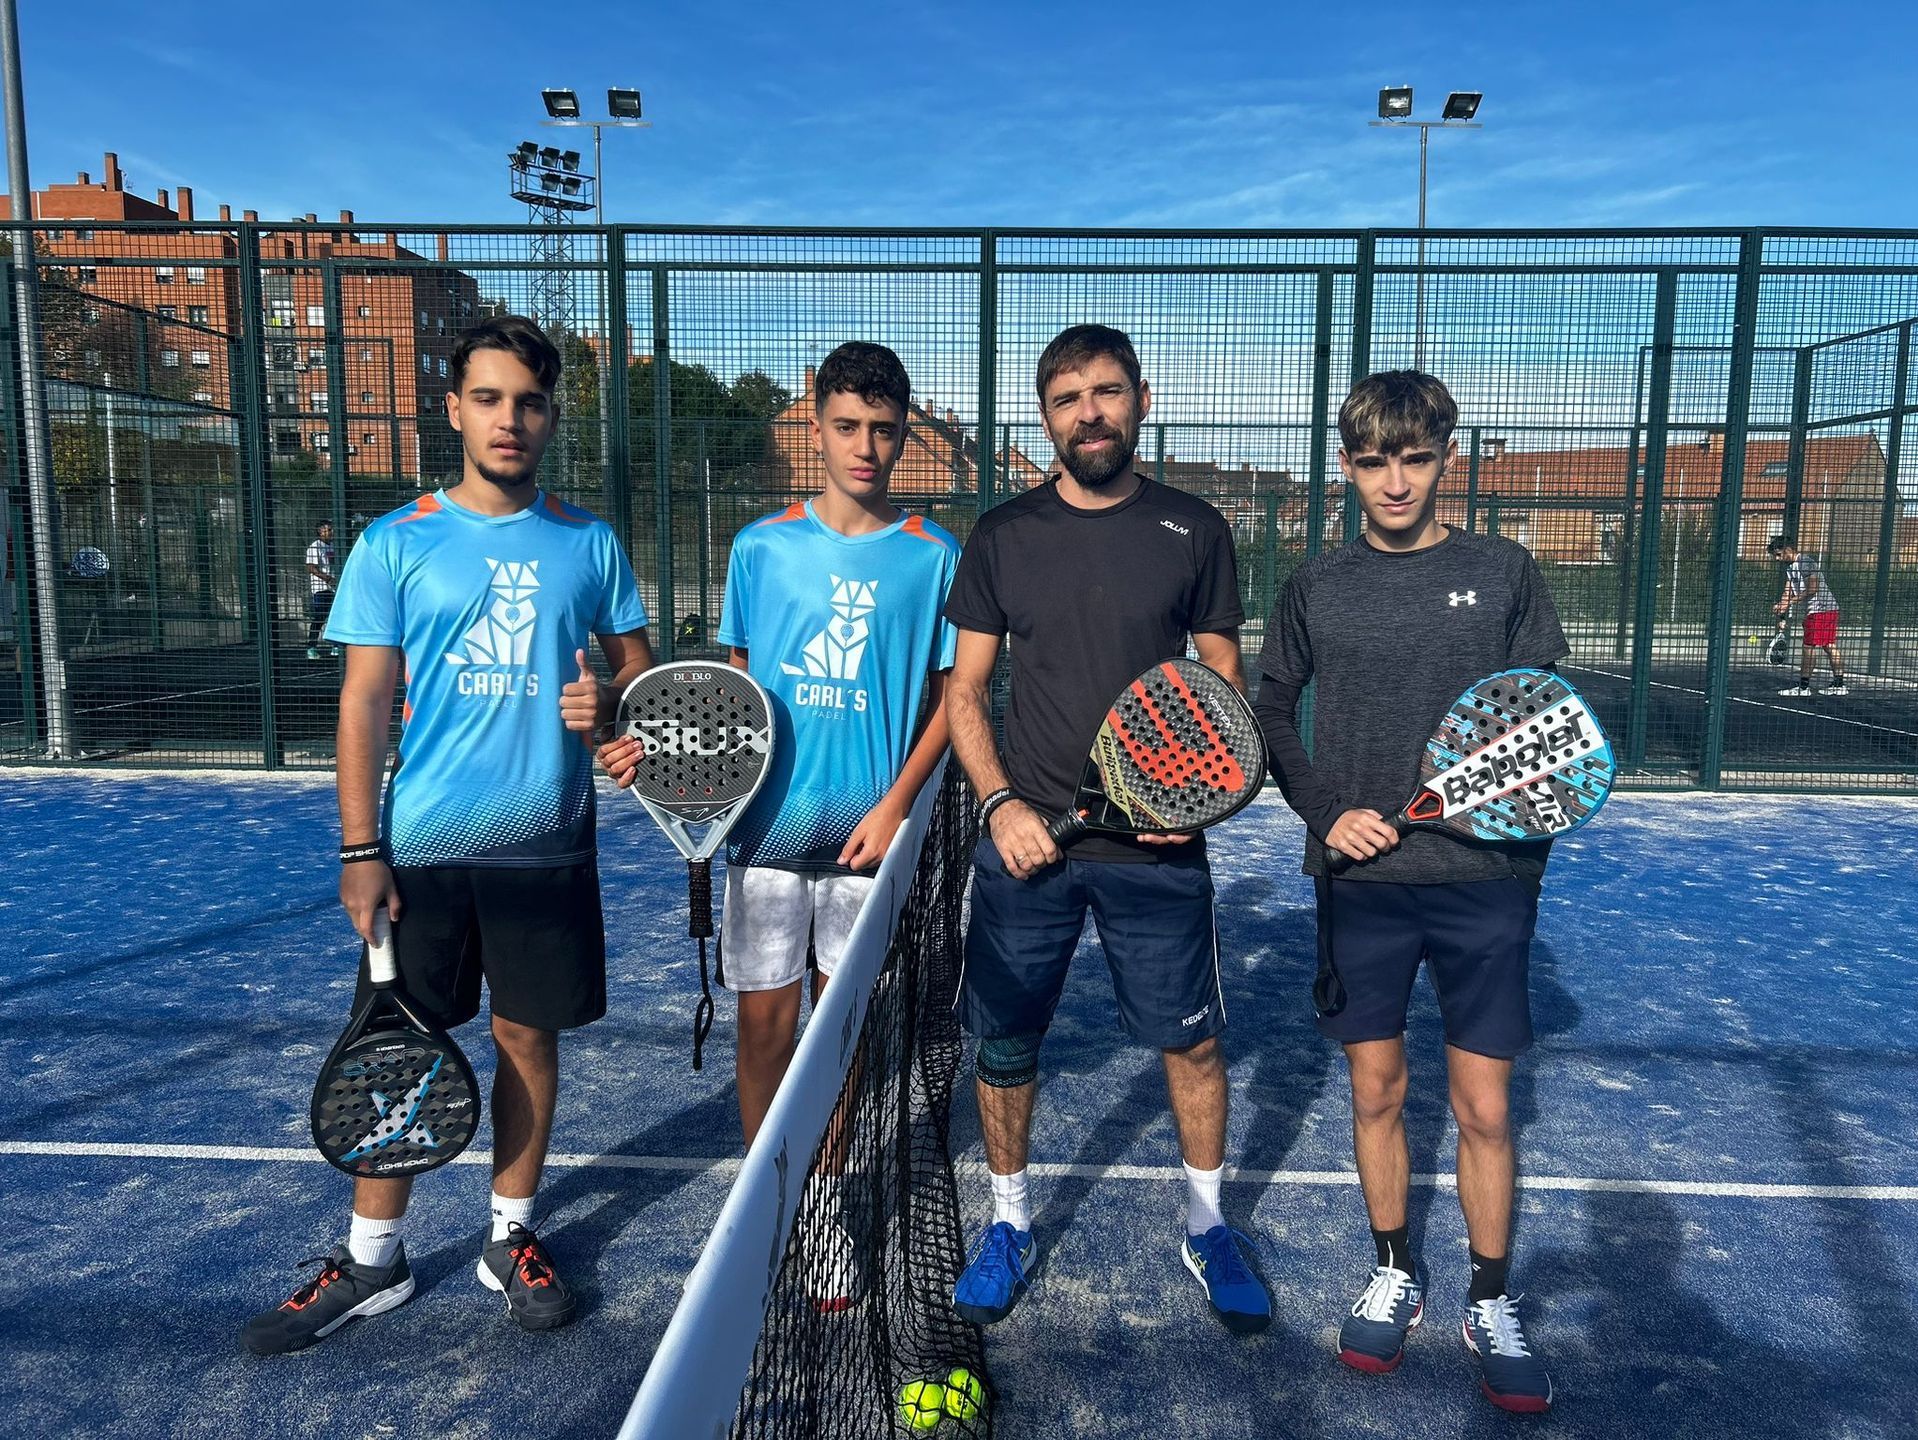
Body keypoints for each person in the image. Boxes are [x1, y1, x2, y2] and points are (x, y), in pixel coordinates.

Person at [242, 315, 653, 1355]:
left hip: (547, 843)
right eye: (489, 398)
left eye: (529, 401)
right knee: (399, 1055)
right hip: (421, 848)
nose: (509, 419)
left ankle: (507, 1236)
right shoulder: (396, 540)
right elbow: (363, 704)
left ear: (553, 415)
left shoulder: (588, 541)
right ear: (455, 407)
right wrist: (357, 847)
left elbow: (643, 689)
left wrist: (612, 710)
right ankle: (373, 1262)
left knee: (528, 1040)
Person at [942, 323, 1272, 1336]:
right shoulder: (1001, 535)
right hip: (1025, 847)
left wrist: (1195, 799)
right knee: (1004, 1045)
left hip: (1158, 851)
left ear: (1140, 398)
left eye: (1108, 392)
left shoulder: (1194, 528)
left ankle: (1208, 1225)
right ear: (1045, 418)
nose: (1090, 413)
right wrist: (999, 808)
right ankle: (1009, 1223)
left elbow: (1220, 674)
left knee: (1196, 1045)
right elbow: (967, 692)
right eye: (1068, 398)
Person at [1253, 370, 1566, 1413]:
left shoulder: (1506, 572)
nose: (1395, 480)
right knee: (1376, 1091)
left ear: (1446, 457)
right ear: (1348, 467)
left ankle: (1488, 1296)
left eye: (1416, 457)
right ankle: (1395, 1265)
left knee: (1483, 1106)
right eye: (1374, 460)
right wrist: (1323, 811)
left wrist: (1509, 827)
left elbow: (1543, 725)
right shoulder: (1318, 584)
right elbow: (1271, 706)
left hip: (1485, 886)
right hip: (1363, 886)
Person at [602, 343, 957, 1149]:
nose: (865, 447)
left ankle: (822, 1200)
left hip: (869, 840)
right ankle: (769, 1198)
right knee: (763, 1030)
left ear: (904, 435)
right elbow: (736, 693)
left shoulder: (935, 556)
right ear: (817, 430)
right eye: (846, 426)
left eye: (883, 429)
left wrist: (896, 807)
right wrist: (692, 785)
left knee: (841, 1036)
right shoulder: (761, 547)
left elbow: (950, 703)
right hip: (764, 833)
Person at [1768, 534, 1848, 697]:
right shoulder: (1790, 568)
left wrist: (1789, 603)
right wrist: (1782, 609)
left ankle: (1804, 688)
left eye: (1778, 554)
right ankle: (1839, 684)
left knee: (1808, 647)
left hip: (1821, 609)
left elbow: (1813, 588)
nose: (1777, 559)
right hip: (1823, 610)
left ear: (1788, 550)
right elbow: (1787, 591)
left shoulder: (1806, 562)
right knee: (1828, 645)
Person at [305, 519, 338, 660]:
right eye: (327, 530)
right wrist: (326, 578)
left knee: (335, 617)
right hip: (321, 588)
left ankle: (335, 645)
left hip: (334, 589)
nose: (331, 532)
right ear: (320, 532)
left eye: (331, 529)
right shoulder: (315, 547)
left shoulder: (334, 546)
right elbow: (311, 567)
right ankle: (311, 647)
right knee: (319, 617)